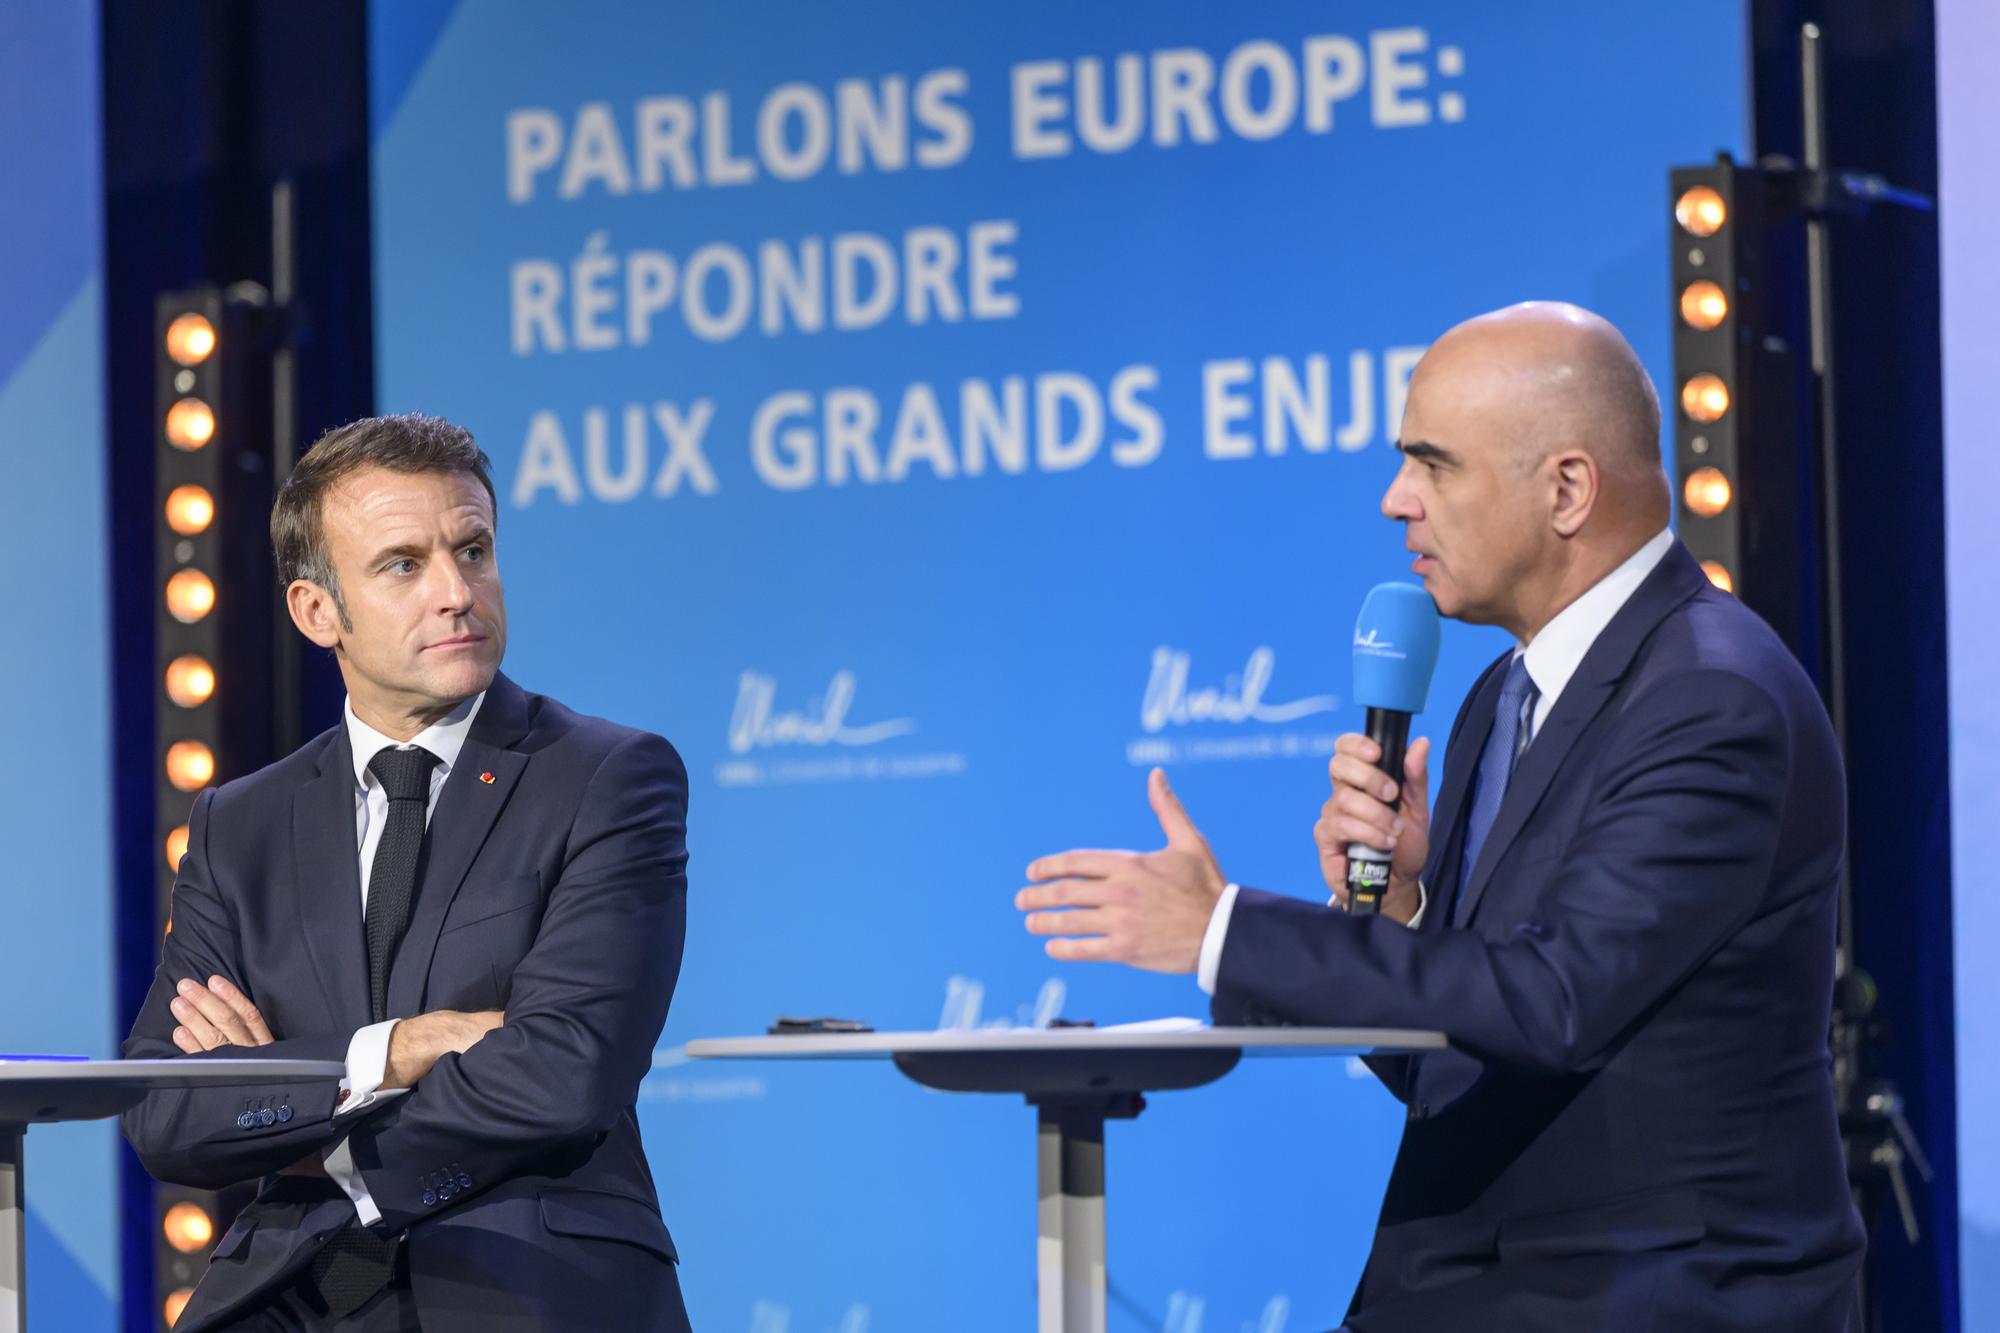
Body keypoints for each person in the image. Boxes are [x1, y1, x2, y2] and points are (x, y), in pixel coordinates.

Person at [1015, 303, 1865, 1330]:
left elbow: (1552, 1003)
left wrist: (1220, 929)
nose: (1392, 500)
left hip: (1645, 1297)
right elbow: (1455, 1054)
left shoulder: (1710, 698)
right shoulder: (1500, 696)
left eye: (1431, 464)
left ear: (1565, 489)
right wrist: (1403, 904)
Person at [121, 414, 691, 1331]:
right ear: (316, 611)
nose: (457, 592)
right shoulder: (242, 822)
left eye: (473, 549)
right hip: (291, 1293)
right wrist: (390, 1051)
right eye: (404, 565)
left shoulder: (606, 776)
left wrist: (308, 1120)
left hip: (527, 1279)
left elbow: (565, 1071)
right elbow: (163, 1113)